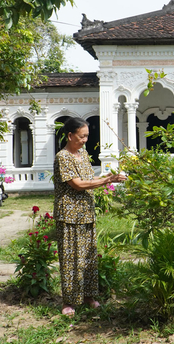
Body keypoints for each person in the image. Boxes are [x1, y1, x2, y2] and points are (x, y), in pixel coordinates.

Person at [53, 117, 125, 316]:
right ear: (70, 135)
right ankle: (69, 302)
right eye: (82, 136)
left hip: (86, 213)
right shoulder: (63, 157)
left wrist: (110, 178)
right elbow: (77, 184)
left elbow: (88, 179)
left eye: (87, 136)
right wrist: (106, 180)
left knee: (89, 257)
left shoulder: (83, 155)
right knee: (71, 259)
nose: (85, 140)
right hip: (69, 215)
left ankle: (88, 296)